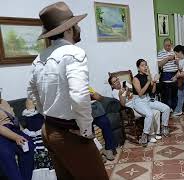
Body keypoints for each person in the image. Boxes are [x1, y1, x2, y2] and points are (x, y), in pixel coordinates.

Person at [27, 2, 108, 179]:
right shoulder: (73, 53)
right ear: (69, 29)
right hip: (70, 133)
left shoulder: (39, 58)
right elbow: (79, 96)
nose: (78, 27)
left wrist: (47, 116)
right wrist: (86, 131)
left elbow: (32, 92)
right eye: (76, 24)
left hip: (48, 130)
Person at [108, 75, 162, 143]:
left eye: (117, 80)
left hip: (138, 102)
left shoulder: (124, 84)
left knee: (156, 111)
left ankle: (156, 132)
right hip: (130, 108)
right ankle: (150, 135)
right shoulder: (114, 92)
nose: (117, 82)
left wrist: (129, 91)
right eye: (114, 82)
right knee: (148, 114)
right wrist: (125, 94)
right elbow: (123, 104)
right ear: (112, 85)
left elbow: (135, 90)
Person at [132, 59, 170, 146]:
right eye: (142, 65)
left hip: (147, 99)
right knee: (149, 114)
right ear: (138, 68)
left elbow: (153, 92)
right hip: (138, 100)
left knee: (166, 108)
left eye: (146, 65)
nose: (145, 67)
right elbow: (140, 93)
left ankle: (164, 128)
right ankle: (144, 136)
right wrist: (149, 81)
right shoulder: (135, 78)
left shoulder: (147, 76)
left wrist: (154, 81)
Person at [0, 98, 35, 180]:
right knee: (6, 154)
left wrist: (24, 133)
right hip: (2, 133)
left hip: (14, 130)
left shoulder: (4, 102)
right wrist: (16, 137)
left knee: (29, 146)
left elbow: (14, 119)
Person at [22, 99, 56, 180]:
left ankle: (49, 173)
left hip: (41, 135)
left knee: (45, 152)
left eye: (30, 103)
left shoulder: (40, 114)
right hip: (31, 136)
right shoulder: (24, 115)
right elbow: (24, 127)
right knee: (37, 154)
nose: (28, 104)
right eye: (27, 103)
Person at [157, 38, 178, 111]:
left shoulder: (175, 52)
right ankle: (167, 109)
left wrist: (176, 61)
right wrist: (168, 58)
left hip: (175, 74)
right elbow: (159, 64)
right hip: (166, 75)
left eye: (169, 45)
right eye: (166, 46)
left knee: (175, 94)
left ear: (171, 44)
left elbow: (180, 62)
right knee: (166, 94)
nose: (167, 47)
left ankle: (174, 108)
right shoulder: (160, 53)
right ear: (163, 45)